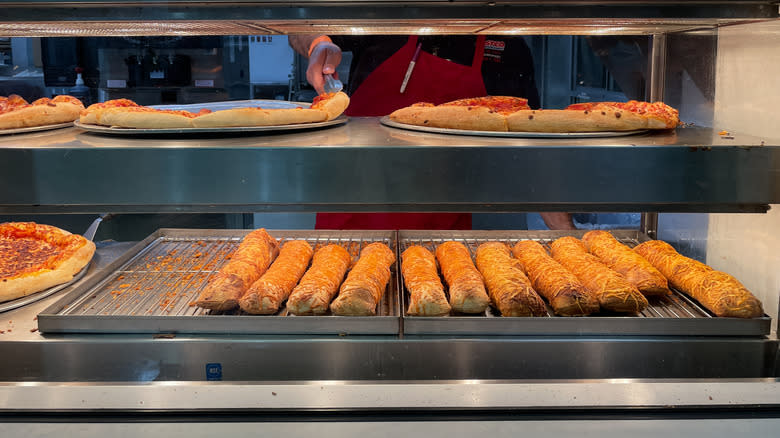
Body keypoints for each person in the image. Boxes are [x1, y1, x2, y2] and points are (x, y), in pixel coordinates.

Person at [289, 34, 575, 230]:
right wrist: (318, 45)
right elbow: (299, 26)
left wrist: (566, 233)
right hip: (354, 204)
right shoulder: (386, 17)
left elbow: (534, 151)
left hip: (441, 224)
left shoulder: (506, 46)